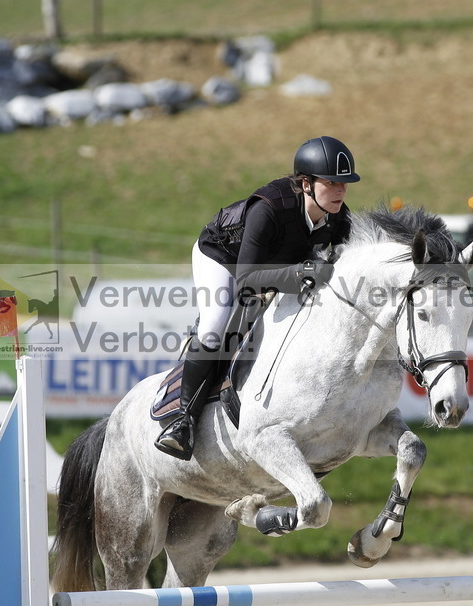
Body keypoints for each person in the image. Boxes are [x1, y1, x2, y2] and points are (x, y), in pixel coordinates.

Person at [155, 135, 361, 459]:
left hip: (275, 263)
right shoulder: (269, 209)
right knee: (215, 324)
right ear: (306, 184)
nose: (340, 191)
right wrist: (297, 274)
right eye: (331, 182)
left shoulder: (337, 216)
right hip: (224, 258)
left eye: (344, 184)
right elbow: (248, 280)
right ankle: (183, 421)